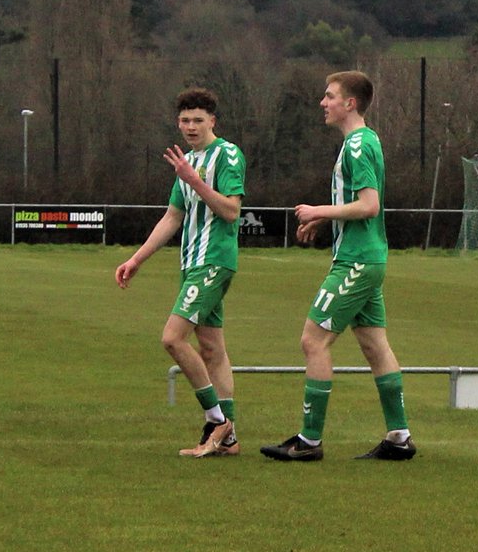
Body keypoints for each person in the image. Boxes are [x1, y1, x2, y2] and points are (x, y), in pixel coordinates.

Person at [260, 70, 416, 463]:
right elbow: (361, 206)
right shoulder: (364, 141)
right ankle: (399, 438)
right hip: (369, 259)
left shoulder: (358, 146)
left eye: (329, 96)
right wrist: (324, 220)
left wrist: (318, 210)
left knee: (313, 341)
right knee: (374, 345)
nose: (322, 102)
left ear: (350, 103)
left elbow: (369, 205)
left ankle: (309, 441)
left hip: (356, 262)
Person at [115, 88, 247, 458]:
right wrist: (137, 259)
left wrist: (194, 180)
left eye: (198, 120)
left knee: (173, 338)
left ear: (212, 122)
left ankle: (216, 420)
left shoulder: (227, 155)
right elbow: (173, 216)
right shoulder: (187, 160)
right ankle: (230, 439)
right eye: (185, 120)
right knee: (211, 349)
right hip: (192, 264)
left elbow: (231, 210)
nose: (190, 127)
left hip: (214, 262)